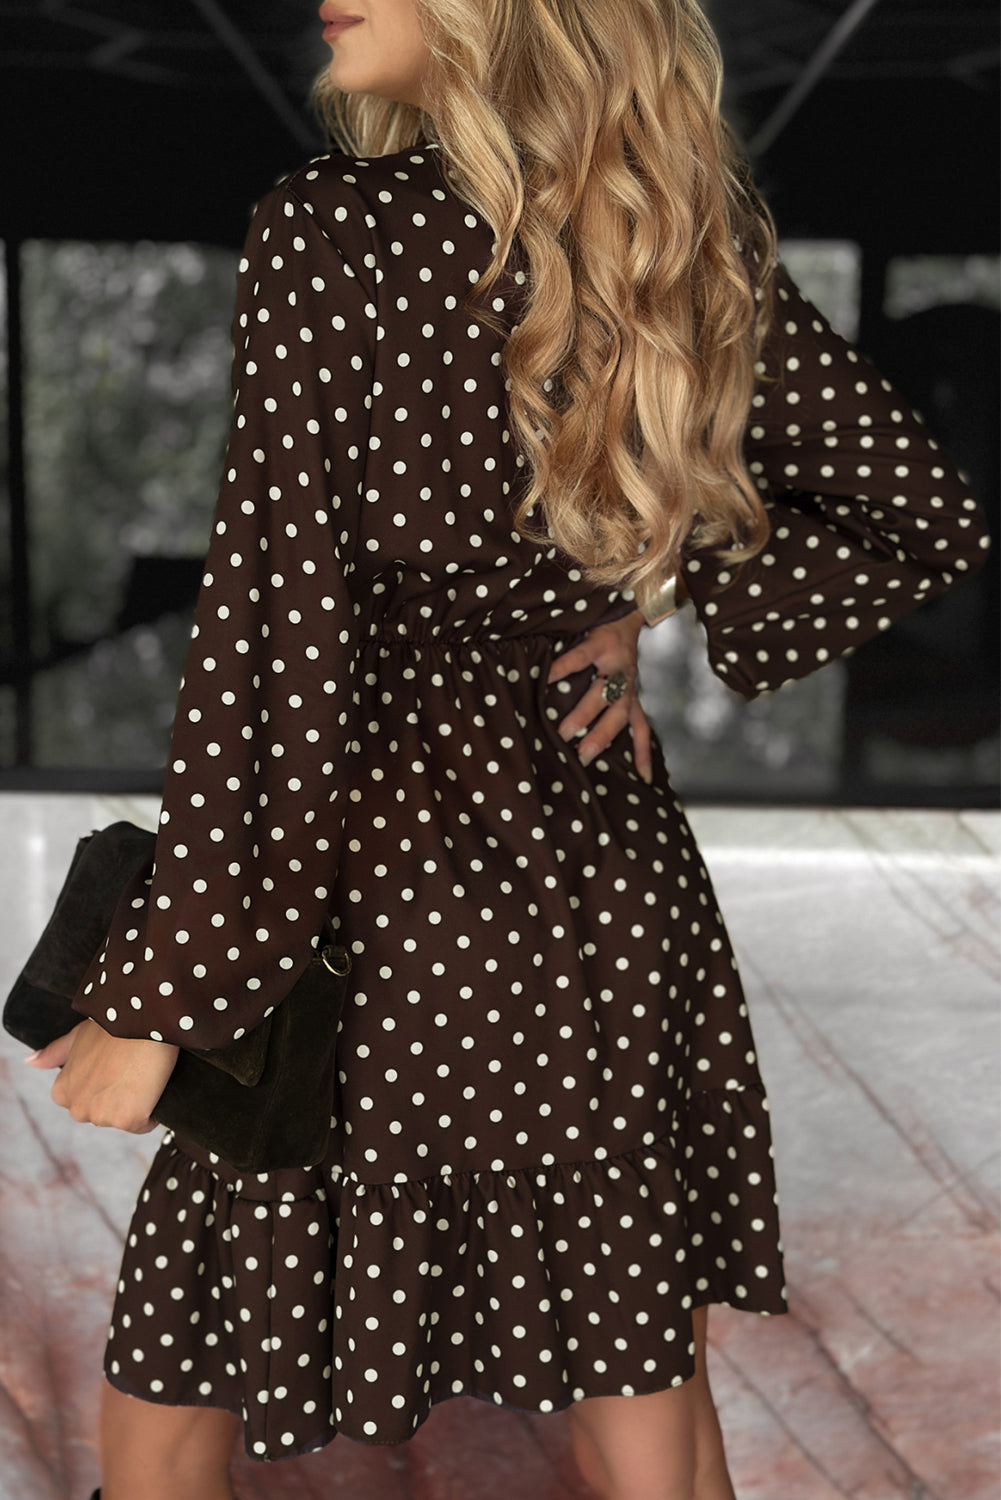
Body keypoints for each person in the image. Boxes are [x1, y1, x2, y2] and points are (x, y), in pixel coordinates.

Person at [28, 2, 988, 1497]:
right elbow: (921, 516)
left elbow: (275, 653)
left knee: (170, 1405)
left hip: (383, 900)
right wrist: (650, 602)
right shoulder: (676, 238)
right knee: (644, 1395)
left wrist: (170, 996)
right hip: (598, 884)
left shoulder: (331, 230)